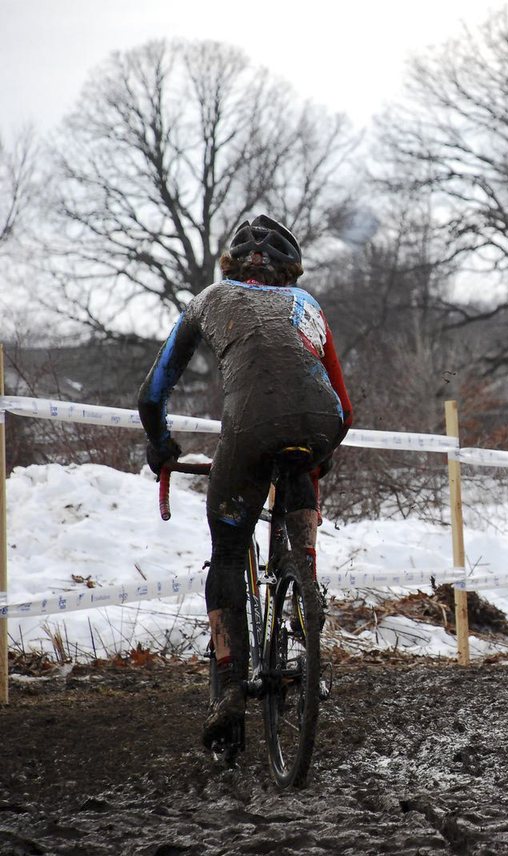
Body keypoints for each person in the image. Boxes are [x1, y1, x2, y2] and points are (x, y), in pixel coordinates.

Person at [138, 214, 354, 746]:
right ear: (291, 271)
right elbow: (344, 409)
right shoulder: (307, 306)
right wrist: (319, 458)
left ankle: (231, 685)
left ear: (230, 265)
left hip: (250, 429)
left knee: (230, 551)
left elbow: (152, 394)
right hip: (321, 423)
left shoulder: (209, 299)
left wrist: (162, 444)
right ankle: (305, 589)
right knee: (301, 463)